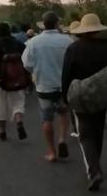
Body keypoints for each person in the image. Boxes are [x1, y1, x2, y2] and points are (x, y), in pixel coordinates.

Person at [62, 13, 107, 191]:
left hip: (80, 95)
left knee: (85, 133)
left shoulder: (74, 49)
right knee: (98, 129)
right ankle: (97, 162)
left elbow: (66, 75)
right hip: (101, 94)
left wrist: (66, 97)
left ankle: (94, 171)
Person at [23, 12, 72, 162]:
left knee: (47, 119)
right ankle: (62, 139)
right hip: (63, 85)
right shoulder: (67, 41)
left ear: (43, 24)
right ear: (57, 23)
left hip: (44, 86)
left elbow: (27, 64)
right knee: (64, 113)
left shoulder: (33, 42)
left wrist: (37, 71)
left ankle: (51, 152)